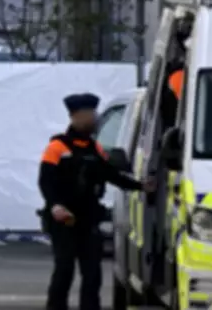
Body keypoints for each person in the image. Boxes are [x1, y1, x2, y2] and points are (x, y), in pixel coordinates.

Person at [39, 93, 156, 310]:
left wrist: (141, 186)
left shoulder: (95, 148)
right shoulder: (57, 147)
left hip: (88, 219)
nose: (94, 119)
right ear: (76, 116)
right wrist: (55, 205)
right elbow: (45, 181)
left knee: (92, 274)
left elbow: (112, 174)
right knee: (64, 271)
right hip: (64, 220)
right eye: (90, 115)